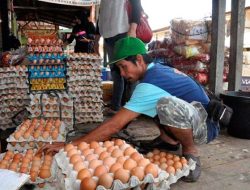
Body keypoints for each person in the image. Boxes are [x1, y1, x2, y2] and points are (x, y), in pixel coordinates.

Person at [41, 37, 220, 182]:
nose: (123, 74)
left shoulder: (151, 82)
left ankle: (190, 152)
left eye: (123, 67)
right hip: (195, 117)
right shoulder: (156, 71)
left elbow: (114, 126)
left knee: (166, 105)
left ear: (139, 60)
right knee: (152, 104)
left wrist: (71, 145)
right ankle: (168, 141)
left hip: (205, 127)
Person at [94, 0, 142, 114]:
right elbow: (101, 14)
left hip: (123, 32)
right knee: (116, 73)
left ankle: (132, 109)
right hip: (108, 36)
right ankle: (115, 107)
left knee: (131, 72)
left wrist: (133, 29)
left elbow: (136, 5)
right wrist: (97, 39)